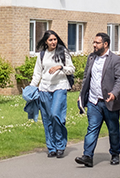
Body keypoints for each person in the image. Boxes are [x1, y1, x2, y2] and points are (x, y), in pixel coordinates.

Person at [75, 32, 120, 168]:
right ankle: (87, 156)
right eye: (94, 42)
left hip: (109, 101)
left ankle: (115, 153)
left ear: (105, 44)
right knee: (92, 128)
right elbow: (86, 77)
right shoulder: (91, 58)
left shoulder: (115, 59)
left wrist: (114, 93)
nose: (94, 45)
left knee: (113, 130)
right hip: (94, 101)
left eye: (97, 43)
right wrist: (82, 95)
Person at [30, 30, 75, 158]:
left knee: (56, 115)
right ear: (46, 42)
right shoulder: (42, 55)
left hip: (60, 87)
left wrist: (60, 67)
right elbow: (37, 73)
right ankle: (51, 147)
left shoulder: (63, 52)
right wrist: (32, 88)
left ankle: (60, 145)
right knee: (47, 118)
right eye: (50, 40)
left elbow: (71, 69)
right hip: (44, 88)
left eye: (55, 39)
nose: (53, 42)